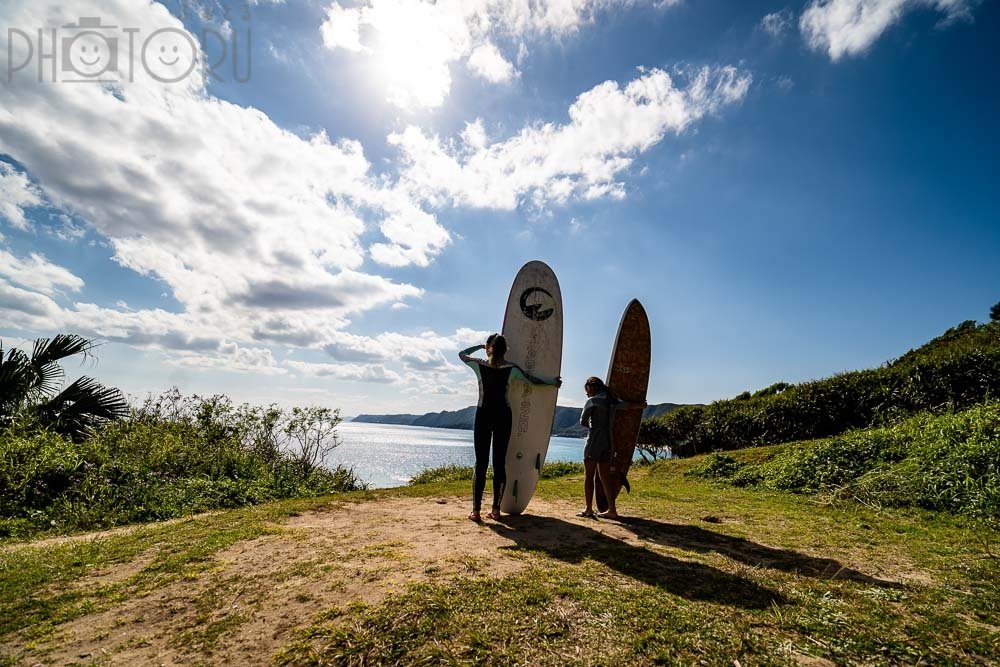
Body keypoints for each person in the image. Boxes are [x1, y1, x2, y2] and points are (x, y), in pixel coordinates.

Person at [460, 333, 561, 523]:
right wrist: (552, 382)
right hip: (503, 417)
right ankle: (496, 510)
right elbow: (532, 381)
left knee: (480, 463)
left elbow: (461, 354)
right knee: (499, 463)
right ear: (506, 349)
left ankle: (475, 511)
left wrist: (480, 346)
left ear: (489, 347)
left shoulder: (479, 364)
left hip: (483, 416)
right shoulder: (512, 369)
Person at [578, 376, 645, 519]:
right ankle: (612, 510)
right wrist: (641, 405)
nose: (586, 393)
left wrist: (593, 425)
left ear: (592, 387)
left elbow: (582, 421)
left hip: (594, 441)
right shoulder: (612, 401)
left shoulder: (592, 401)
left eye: (587, 389)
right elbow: (628, 406)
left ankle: (588, 509)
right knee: (604, 477)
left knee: (589, 476)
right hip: (608, 442)